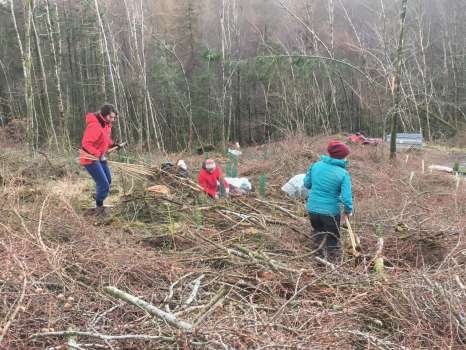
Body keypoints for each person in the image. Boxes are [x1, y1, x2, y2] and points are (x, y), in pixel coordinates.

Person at [303, 140, 353, 260]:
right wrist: (348, 210)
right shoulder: (343, 173)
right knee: (333, 239)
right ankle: (332, 264)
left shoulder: (316, 165)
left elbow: (306, 184)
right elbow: (347, 198)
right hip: (330, 212)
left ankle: (317, 259)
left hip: (312, 209)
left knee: (318, 233)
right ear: (343, 157)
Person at [79, 103, 122, 215]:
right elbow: (86, 144)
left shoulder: (106, 124)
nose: (112, 120)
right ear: (104, 115)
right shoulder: (95, 125)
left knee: (108, 180)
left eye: (114, 117)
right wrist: (97, 154)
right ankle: (99, 207)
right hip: (90, 158)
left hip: (99, 157)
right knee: (103, 184)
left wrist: (113, 145)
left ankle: (98, 196)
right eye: (111, 117)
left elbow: (105, 139)